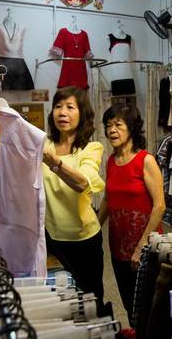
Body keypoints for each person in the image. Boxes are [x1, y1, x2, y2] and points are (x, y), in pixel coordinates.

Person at [98, 104, 166, 319]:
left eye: (118, 124)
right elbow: (108, 200)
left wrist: (142, 246)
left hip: (145, 248)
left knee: (149, 306)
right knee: (128, 303)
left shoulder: (145, 160)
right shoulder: (111, 161)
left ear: (132, 128)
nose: (112, 130)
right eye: (108, 125)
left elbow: (160, 206)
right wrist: (93, 229)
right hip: (118, 246)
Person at [42, 87, 106, 307]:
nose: (62, 112)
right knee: (60, 300)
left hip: (84, 239)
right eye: (58, 106)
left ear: (82, 113)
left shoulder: (90, 148)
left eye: (70, 107)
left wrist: (55, 163)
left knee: (91, 298)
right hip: (51, 239)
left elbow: (82, 183)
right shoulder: (45, 145)